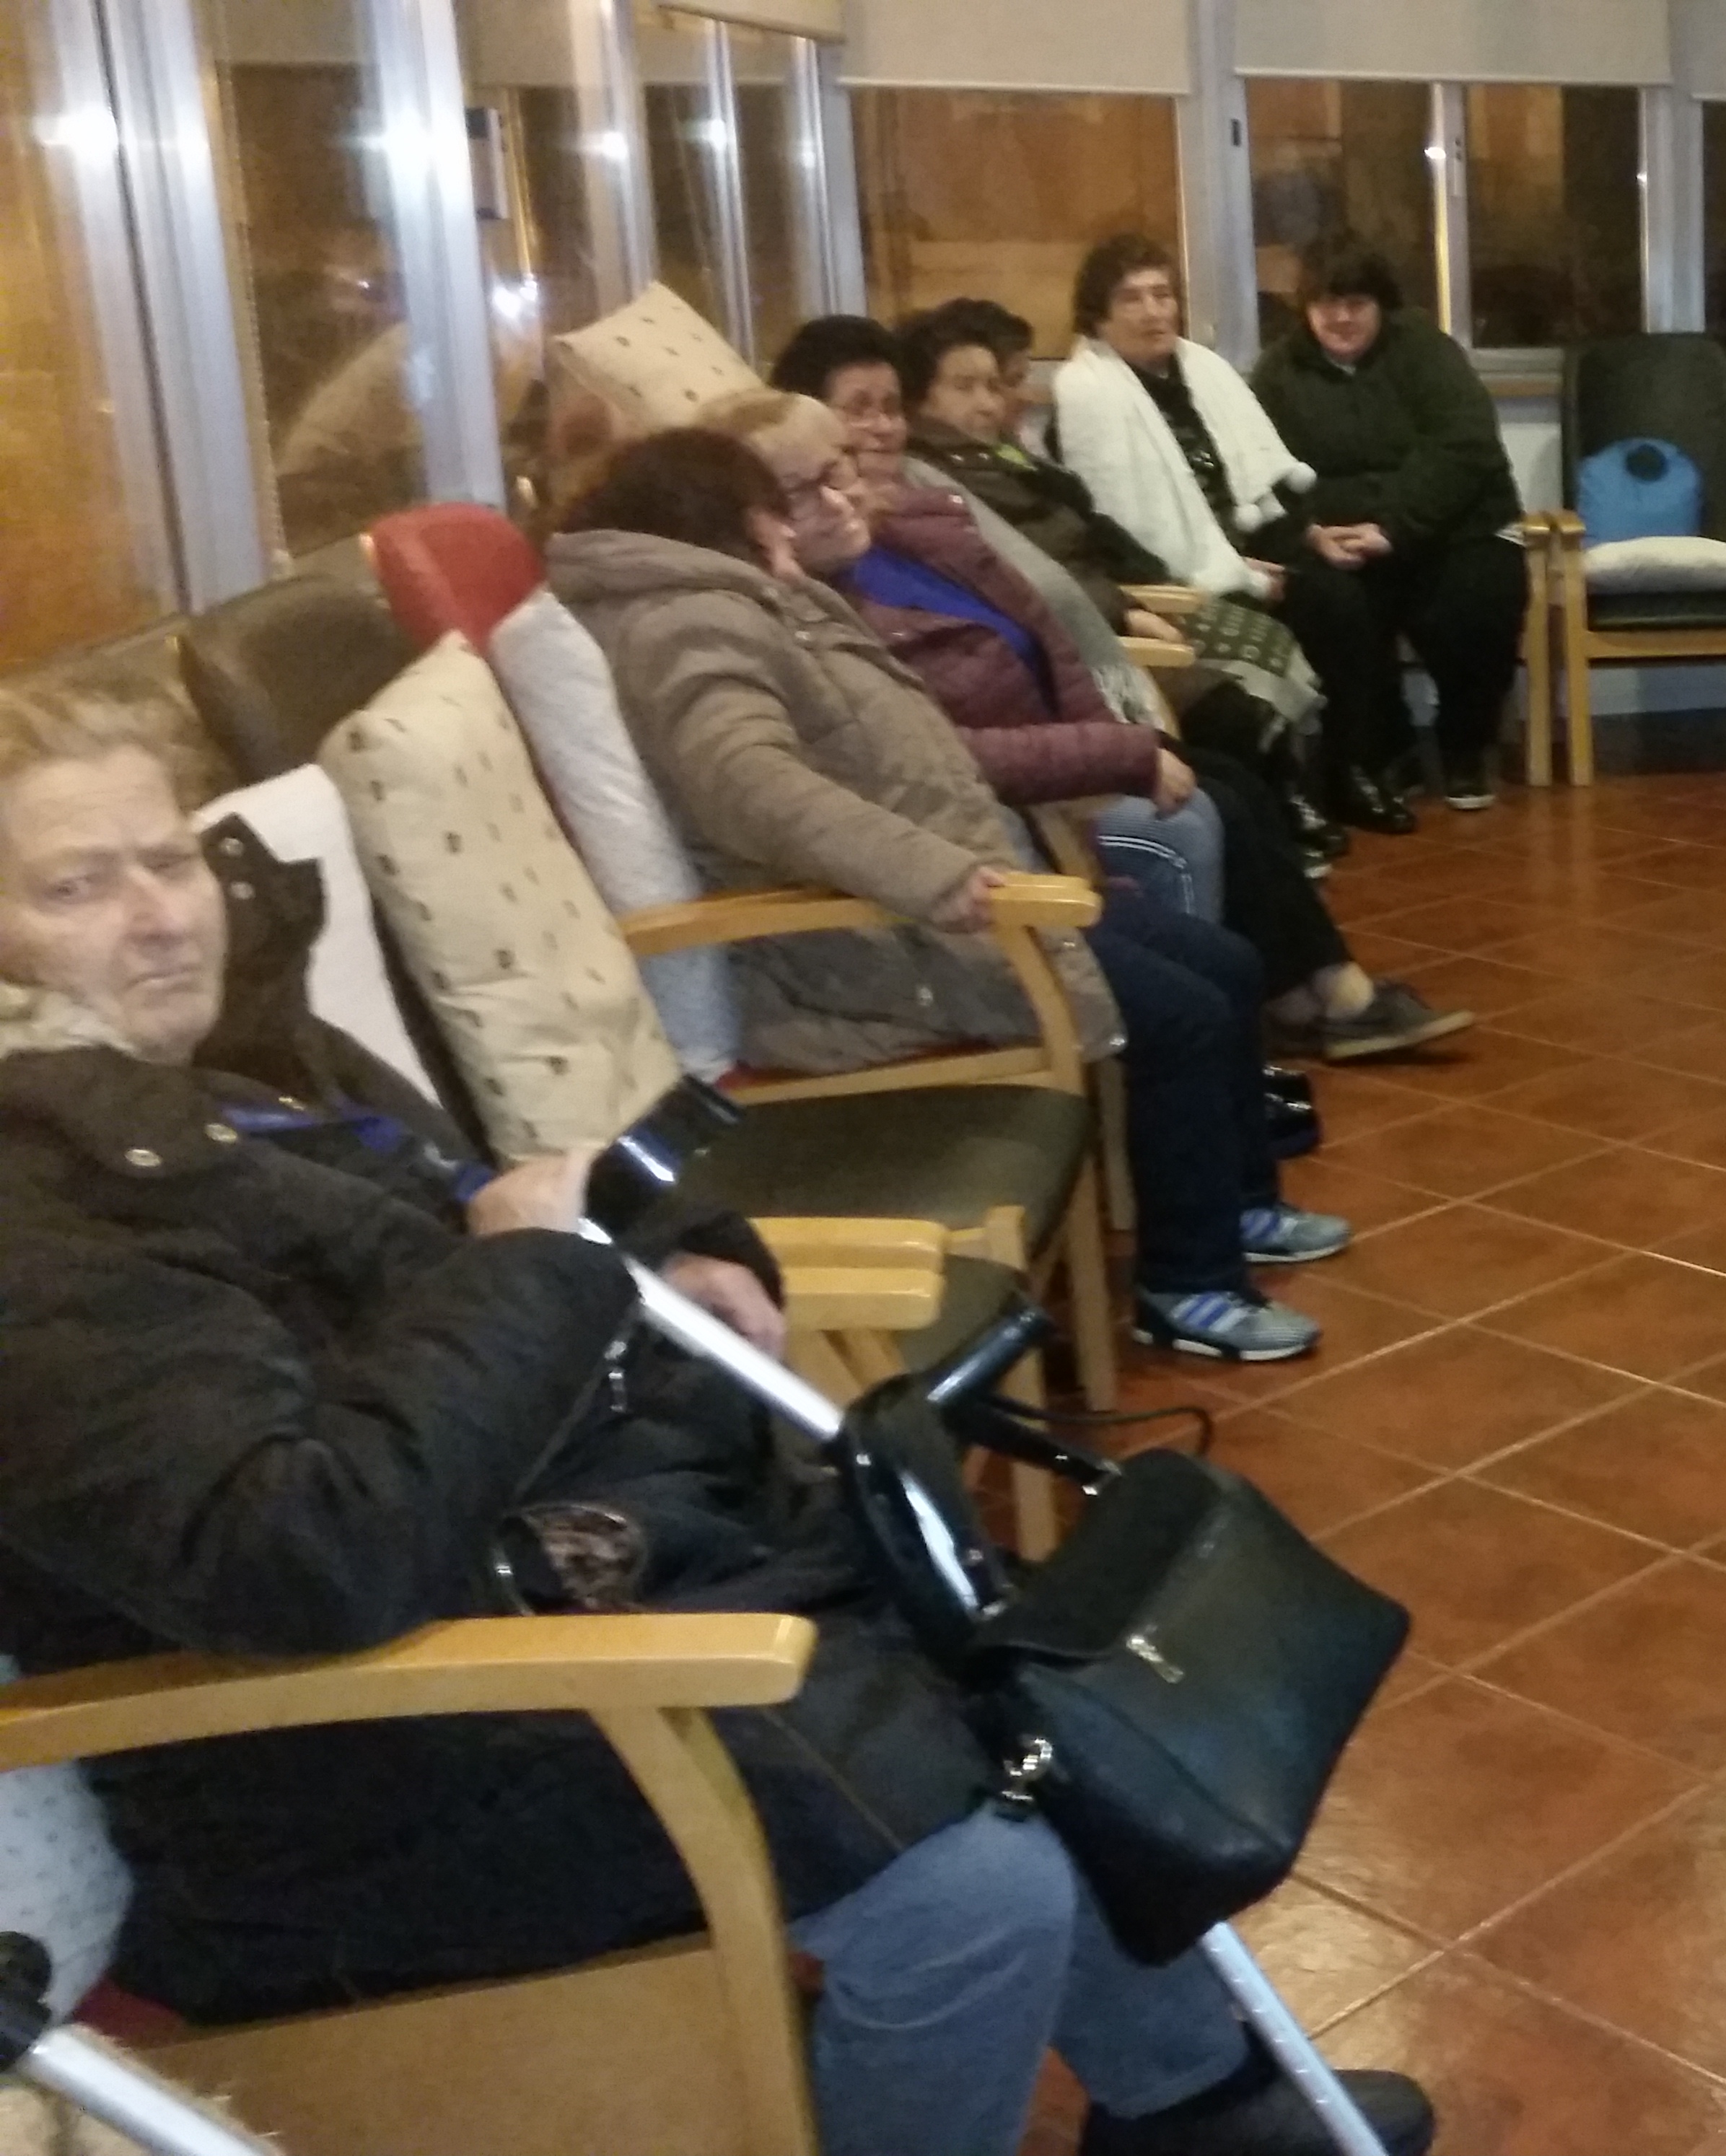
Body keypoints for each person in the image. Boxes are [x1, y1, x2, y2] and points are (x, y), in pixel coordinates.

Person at [0, 677, 1435, 2156]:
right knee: (968, 1890)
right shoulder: (31, 1228)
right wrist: (536, 1273)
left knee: (1014, 1676)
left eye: (168, 860)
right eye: (76, 887)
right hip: (332, 1786)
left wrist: (662, 1250)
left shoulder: (233, 1072)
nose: (160, 917)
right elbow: (303, 1556)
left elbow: (457, 1249)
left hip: (525, 1601)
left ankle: (1194, 2102)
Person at [546, 428, 1328, 1363]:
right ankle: (1189, 1284)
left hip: (952, 898)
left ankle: (1240, 1207)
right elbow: (750, 785)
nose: (798, 526)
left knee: (1223, 963)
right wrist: (937, 875)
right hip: (880, 942)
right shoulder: (690, 625)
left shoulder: (738, 604)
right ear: (735, 518)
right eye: (780, 508)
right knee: (1182, 1015)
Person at [728, 365, 1468, 1066]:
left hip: (1049, 738)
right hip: (1007, 799)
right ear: (763, 515)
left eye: (883, 415)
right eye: (854, 419)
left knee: (1231, 781)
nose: (876, 436)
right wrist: (1112, 756)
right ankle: (1288, 1008)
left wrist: (1111, 740)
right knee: (1202, 807)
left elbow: (1048, 623)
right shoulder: (818, 603)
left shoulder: (917, 525)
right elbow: (929, 752)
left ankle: (1303, 994)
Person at [890, 298, 1350, 875]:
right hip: (1087, 646)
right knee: (1231, 718)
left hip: (1113, 603)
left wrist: (1150, 587)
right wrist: (1127, 609)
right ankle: (1273, 841)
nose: (990, 402)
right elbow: (1039, 581)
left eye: (994, 385)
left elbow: (1093, 535)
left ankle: (1292, 817)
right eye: (966, 388)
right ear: (920, 399)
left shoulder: (1002, 458)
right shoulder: (942, 484)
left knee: (1309, 610)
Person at [1045, 233, 1417, 838]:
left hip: (1244, 545)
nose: (1154, 311)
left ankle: (1351, 770)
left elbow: (1258, 479)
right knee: (1283, 616)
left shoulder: (1204, 370)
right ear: (1099, 316)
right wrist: (1237, 572)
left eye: (1163, 294)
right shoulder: (1087, 400)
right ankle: (1285, 792)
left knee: (1343, 599)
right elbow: (1110, 531)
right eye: (1132, 298)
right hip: (1173, 572)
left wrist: (1304, 538)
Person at [1247, 237, 1529, 813]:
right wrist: (1313, 532)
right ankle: (1387, 746)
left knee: (1479, 600)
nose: (1341, 318)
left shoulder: (1428, 351)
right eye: (1326, 304)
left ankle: (1464, 745)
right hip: (1339, 538)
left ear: (1382, 305)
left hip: (1452, 528)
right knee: (1333, 604)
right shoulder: (1276, 373)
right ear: (1305, 308)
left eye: (1357, 303)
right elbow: (1264, 472)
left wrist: (1394, 526)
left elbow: (1464, 448)